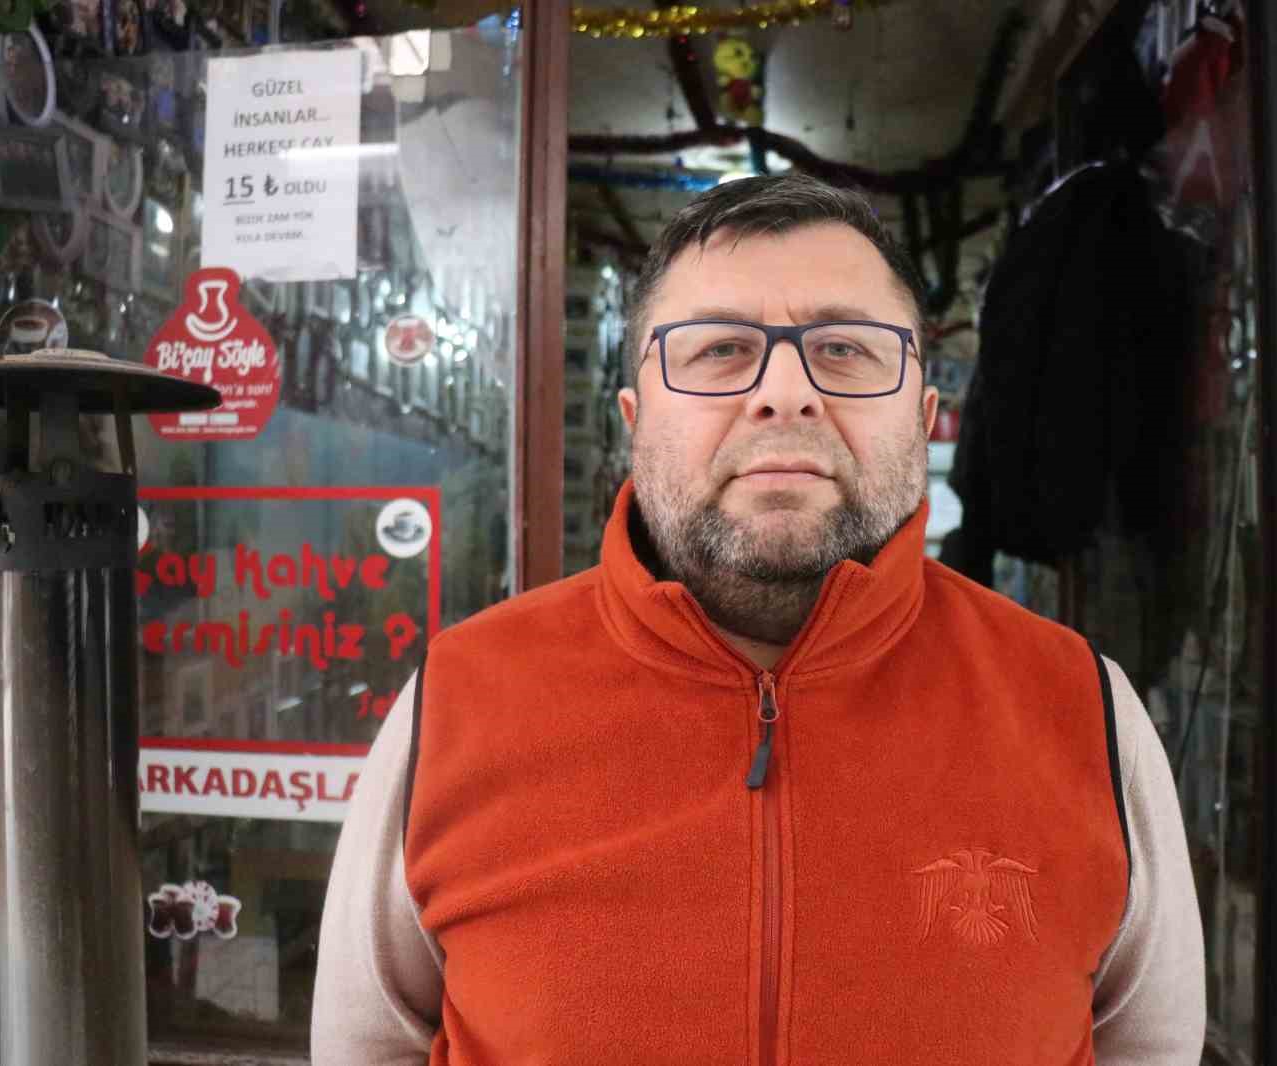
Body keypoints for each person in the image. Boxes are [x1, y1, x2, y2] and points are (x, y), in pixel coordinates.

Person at [312, 172, 1204, 1065]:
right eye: (719, 349)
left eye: (845, 349)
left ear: (924, 417)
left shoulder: (1082, 709)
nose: (785, 392)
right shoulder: (459, 702)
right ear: (635, 422)